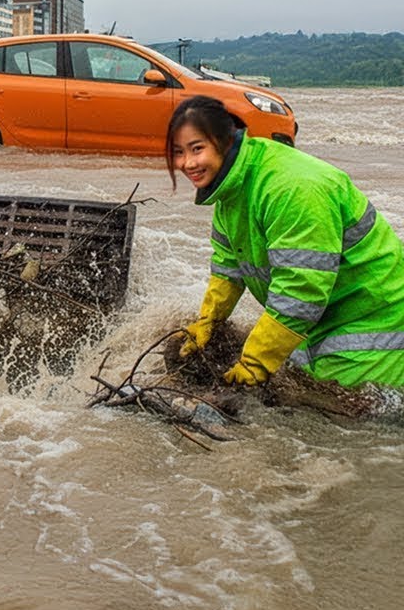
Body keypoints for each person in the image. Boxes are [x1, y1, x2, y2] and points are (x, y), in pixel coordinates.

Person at [169, 95, 404, 389]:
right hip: (321, 324)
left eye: (197, 149)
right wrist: (207, 323)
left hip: (372, 328)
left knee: (346, 421)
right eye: (178, 152)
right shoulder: (229, 193)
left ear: (225, 141)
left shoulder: (291, 188)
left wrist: (253, 364)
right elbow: (228, 269)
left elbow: (300, 292)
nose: (187, 163)